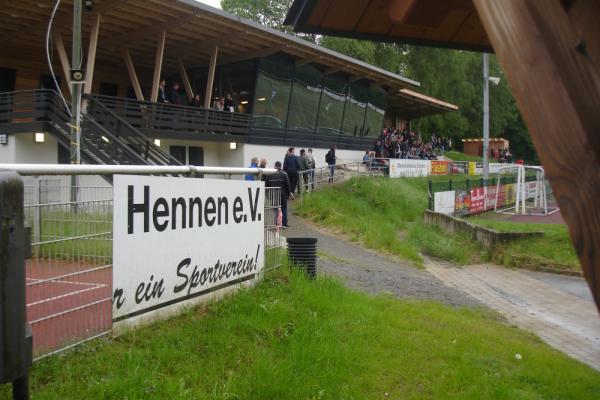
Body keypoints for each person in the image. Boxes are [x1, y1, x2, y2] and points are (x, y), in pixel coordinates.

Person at [264, 161, 292, 228]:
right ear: (280, 166)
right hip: (283, 195)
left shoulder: (269, 175)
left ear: (275, 166)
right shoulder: (284, 174)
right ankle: (284, 224)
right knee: (284, 209)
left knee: (276, 209)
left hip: (273, 195)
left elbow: (266, 185)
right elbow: (288, 185)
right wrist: (289, 194)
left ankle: (277, 224)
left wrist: (268, 196)